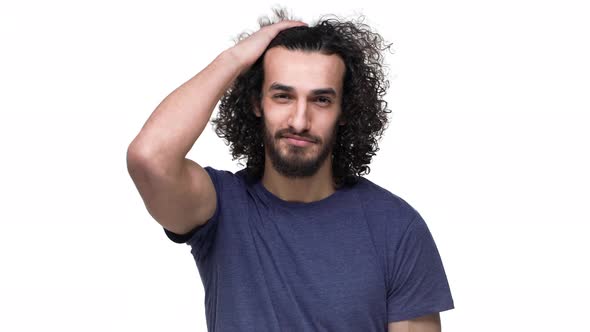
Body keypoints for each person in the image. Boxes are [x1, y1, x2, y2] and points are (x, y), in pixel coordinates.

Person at [127, 8, 454, 332]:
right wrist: (234, 59)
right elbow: (149, 157)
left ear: (344, 111)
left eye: (321, 100)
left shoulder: (396, 228)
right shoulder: (221, 207)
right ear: (257, 103)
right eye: (282, 96)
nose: (299, 121)